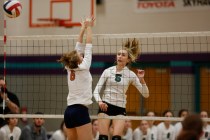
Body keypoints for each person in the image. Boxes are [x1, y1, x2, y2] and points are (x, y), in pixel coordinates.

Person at [93, 38, 149, 140]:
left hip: (120, 108)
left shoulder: (131, 75)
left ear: (128, 59)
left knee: (116, 138)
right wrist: (100, 102)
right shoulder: (107, 71)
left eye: (123, 55)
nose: (120, 56)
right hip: (105, 106)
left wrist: (142, 80)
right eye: (118, 54)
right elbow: (96, 91)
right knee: (103, 138)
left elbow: (146, 94)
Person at [58, 16, 95, 140]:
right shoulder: (84, 66)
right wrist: (89, 27)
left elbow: (78, 46)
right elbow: (88, 45)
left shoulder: (69, 66)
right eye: (80, 54)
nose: (81, 53)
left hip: (68, 112)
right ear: (78, 59)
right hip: (80, 111)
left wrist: (82, 28)